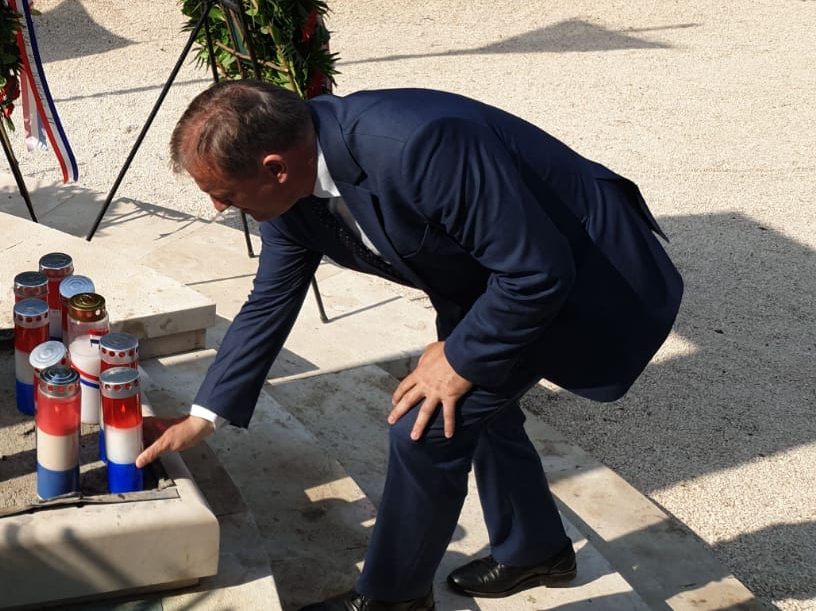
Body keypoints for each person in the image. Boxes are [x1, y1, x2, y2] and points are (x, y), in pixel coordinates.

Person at [139, 81, 683, 611]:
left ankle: (394, 596)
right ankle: (536, 550)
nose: (217, 206)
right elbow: (270, 299)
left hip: (581, 274)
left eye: (224, 193)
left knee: (425, 425)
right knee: (481, 412)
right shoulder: (291, 187)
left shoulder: (419, 146)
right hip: (495, 277)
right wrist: (203, 416)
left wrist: (460, 357)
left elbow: (537, 272)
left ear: (275, 168)